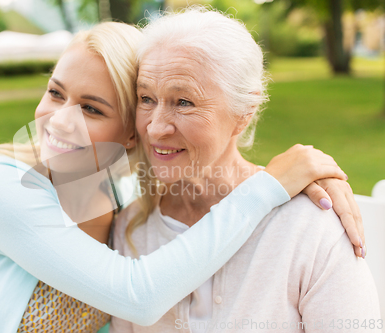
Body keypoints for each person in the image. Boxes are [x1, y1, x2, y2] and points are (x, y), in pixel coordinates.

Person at [0, 22, 364, 333]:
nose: (58, 121)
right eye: (55, 92)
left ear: (127, 132)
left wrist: (310, 177)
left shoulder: (118, 198)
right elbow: (137, 295)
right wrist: (268, 187)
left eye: (92, 108)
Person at [110, 8, 380, 333]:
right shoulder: (131, 228)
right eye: (146, 98)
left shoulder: (310, 226)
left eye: (183, 102)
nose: (155, 128)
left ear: (244, 113)